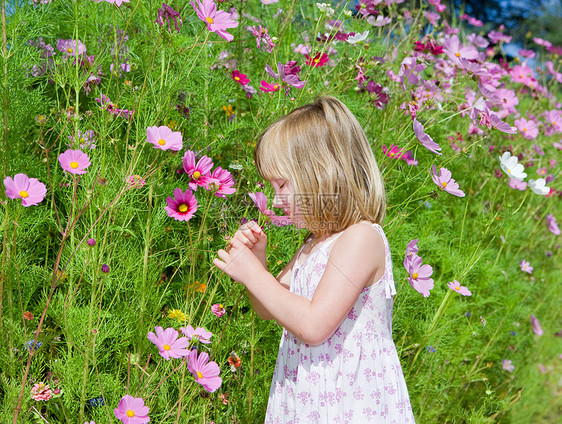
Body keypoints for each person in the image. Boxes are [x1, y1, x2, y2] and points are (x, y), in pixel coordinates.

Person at [213, 96, 415, 423]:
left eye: (281, 184)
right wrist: (258, 263)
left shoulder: (360, 238)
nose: (276, 200)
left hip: (350, 402)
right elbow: (269, 308)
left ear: (319, 173)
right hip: (308, 397)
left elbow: (313, 324)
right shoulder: (311, 245)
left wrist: (252, 274)